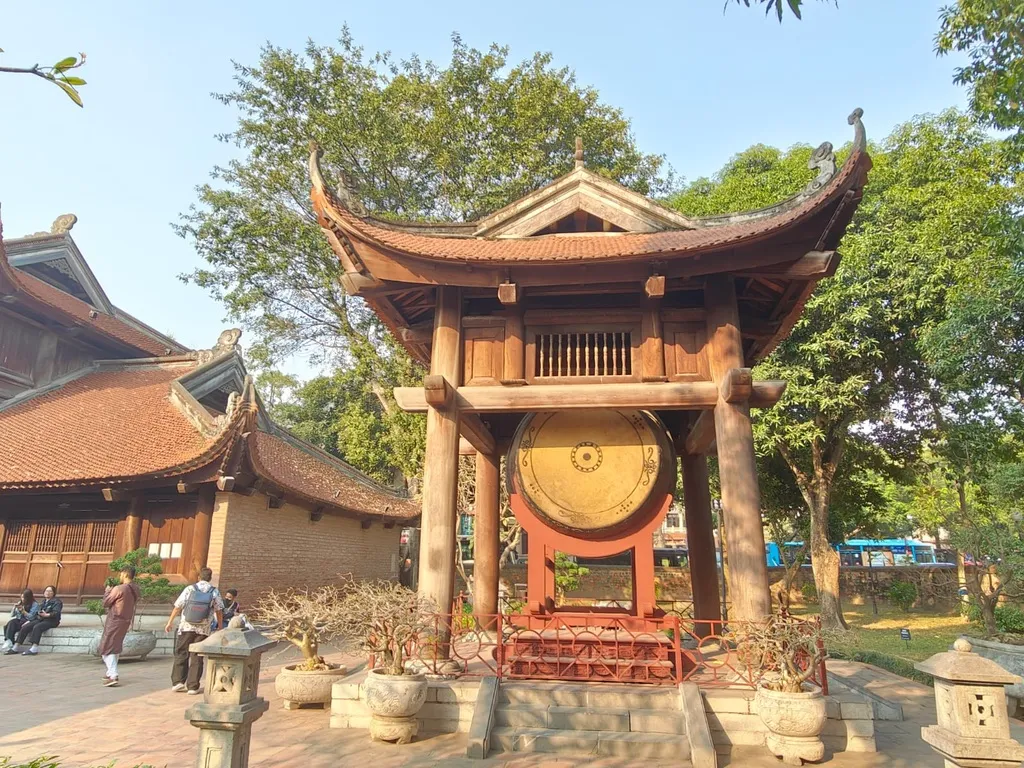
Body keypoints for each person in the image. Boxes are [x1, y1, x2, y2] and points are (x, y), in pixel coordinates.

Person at [164, 567, 223, 694]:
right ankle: (192, 686)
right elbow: (219, 610)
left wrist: (170, 622)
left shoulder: (190, 589)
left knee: (181, 653)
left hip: (186, 626)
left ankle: (178, 682)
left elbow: (177, 607)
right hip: (203, 629)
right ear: (210, 578)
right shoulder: (214, 591)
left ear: (199, 577)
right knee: (197, 656)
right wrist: (220, 626)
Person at [99, 566, 141, 687]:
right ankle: (110, 672)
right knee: (115, 645)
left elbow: (106, 603)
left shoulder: (119, 588)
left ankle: (113, 674)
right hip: (126, 620)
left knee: (107, 646)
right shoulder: (135, 588)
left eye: (121, 574)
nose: (120, 576)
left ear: (125, 574)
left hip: (115, 620)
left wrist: (107, 591)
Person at [10, 585, 63, 655]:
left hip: (52, 621)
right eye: (46, 591)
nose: (48, 593)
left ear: (54, 593)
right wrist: (29, 621)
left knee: (37, 627)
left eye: (50, 591)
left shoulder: (57, 602)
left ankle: (34, 648)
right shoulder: (43, 602)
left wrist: (47, 615)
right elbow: (37, 614)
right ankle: (15, 647)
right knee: (26, 626)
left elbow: (56, 612)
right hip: (41, 619)